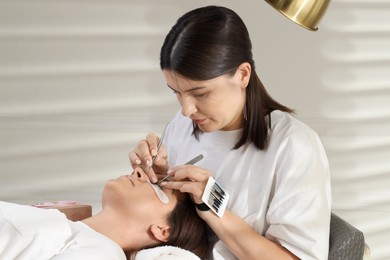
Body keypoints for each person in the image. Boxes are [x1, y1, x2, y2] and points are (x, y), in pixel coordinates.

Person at [129, 5, 332, 260]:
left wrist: (214, 204)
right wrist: (155, 180)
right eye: (176, 93)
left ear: (242, 74)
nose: (186, 109)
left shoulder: (293, 146)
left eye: (200, 93)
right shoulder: (181, 127)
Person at [0, 167, 209, 260]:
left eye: (159, 186)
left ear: (163, 230)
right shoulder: (72, 228)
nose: (140, 173)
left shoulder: (102, 253)